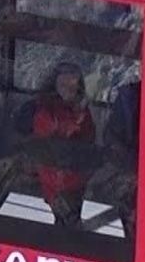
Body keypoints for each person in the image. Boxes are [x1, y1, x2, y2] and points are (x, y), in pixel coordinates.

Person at [27, 61, 95, 227]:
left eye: (72, 87)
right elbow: (49, 135)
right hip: (53, 174)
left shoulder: (82, 110)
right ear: (55, 85)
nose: (68, 90)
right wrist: (75, 121)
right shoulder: (45, 108)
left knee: (70, 218)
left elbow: (90, 137)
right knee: (67, 219)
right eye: (63, 85)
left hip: (76, 173)